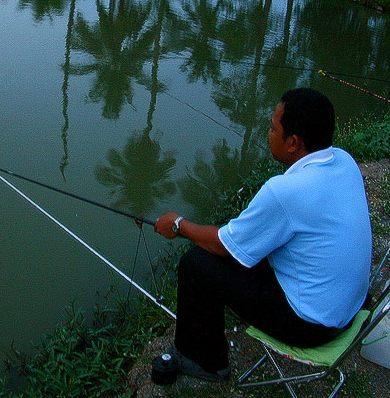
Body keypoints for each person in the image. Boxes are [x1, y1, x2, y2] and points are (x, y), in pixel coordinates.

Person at [154, 88, 372, 381]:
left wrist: (179, 225)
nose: (268, 133)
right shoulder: (344, 161)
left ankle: (205, 362)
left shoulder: (284, 192)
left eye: (273, 128)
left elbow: (225, 246)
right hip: (351, 305)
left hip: (313, 325)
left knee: (196, 264)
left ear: (293, 142)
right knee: (249, 250)